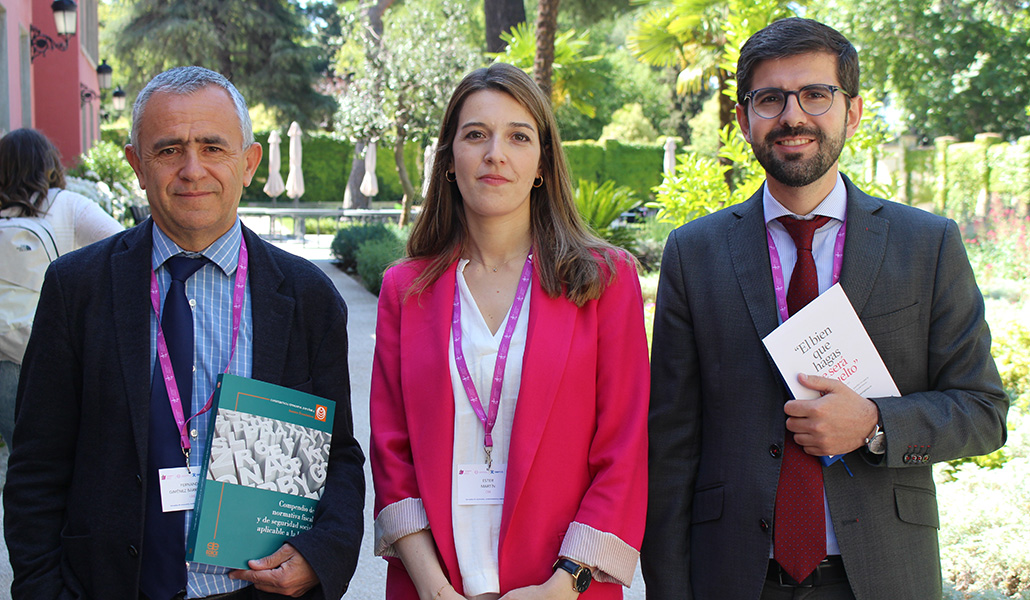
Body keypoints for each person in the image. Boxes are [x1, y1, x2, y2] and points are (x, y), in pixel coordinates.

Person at [642, 17, 1008, 600]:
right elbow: (670, 442)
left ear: (853, 111)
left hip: (883, 575)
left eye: (816, 94)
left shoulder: (927, 245)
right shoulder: (695, 252)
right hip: (733, 577)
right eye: (770, 98)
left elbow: (984, 410)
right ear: (744, 119)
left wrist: (875, 424)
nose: (793, 115)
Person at [3, 66, 365, 600]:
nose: (192, 169)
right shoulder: (76, 289)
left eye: (213, 147)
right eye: (169, 149)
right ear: (137, 166)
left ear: (248, 163)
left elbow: (338, 457)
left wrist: (321, 555)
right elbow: (36, 466)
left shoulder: (307, 298)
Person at [369, 63, 649, 600]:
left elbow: (624, 450)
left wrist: (562, 588)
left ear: (542, 162)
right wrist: (431, 586)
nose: (495, 153)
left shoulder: (605, 281)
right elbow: (392, 453)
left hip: (559, 587)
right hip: (434, 585)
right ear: (449, 159)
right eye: (476, 135)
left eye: (518, 136)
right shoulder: (405, 290)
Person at [0, 128, 123, 448]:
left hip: (3, 352)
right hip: (54, 349)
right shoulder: (66, 204)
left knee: (23, 456)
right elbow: (125, 250)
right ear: (49, 163)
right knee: (72, 453)